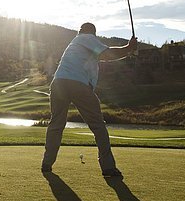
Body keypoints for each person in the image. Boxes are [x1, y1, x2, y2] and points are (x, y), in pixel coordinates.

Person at [41, 22, 137, 178]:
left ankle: (47, 163)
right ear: (92, 32)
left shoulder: (75, 43)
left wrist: (128, 51)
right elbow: (107, 53)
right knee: (98, 126)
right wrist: (128, 48)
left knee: (56, 123)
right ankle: (108, 167)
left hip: (58, 83)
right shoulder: (86, 38)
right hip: (77, 84)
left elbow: (104, 57)